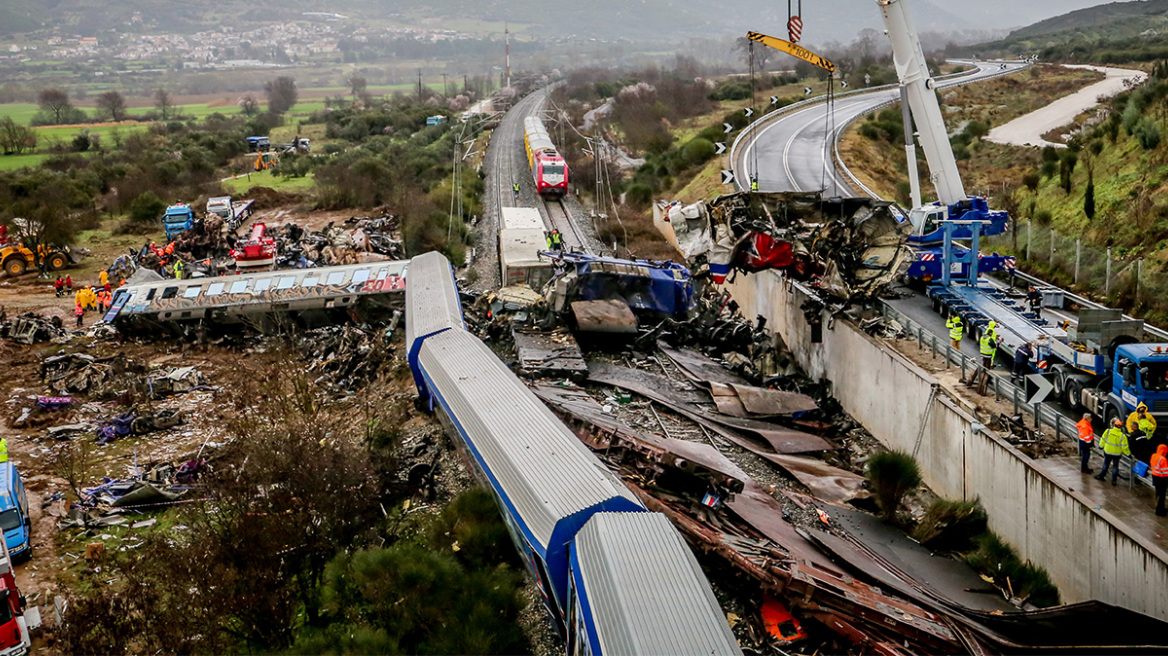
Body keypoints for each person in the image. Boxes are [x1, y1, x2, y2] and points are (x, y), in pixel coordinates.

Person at [1095, 419, 1130, 486]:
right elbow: (1124, 447)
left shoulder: (1108, 431)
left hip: (1107, 452)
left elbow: (1103, 439)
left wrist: (1100, 446)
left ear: (1114, 425)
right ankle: (1114, 481)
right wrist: (1129, 454)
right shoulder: (1123, 436)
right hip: (1117, 454)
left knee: (1106, 464)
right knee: (1115, 466)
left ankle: (1102, 476)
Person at [1151, 444, 1168, 517]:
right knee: (1162, 495)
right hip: (1162, 478)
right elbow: (1165, 472)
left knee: (1158, 493)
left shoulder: (1154, 455)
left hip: (1154, 476)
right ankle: (1160, 510)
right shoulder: (1163, 459)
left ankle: (1159, 508)